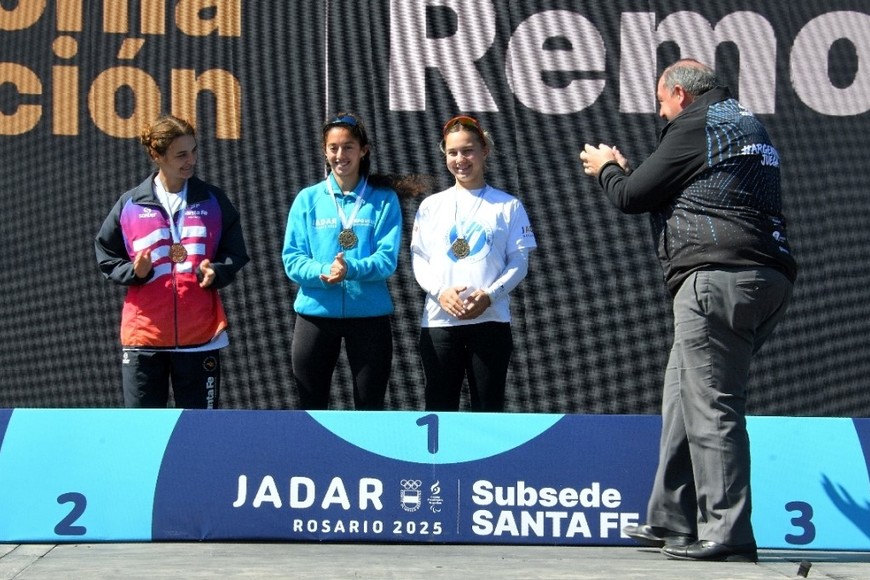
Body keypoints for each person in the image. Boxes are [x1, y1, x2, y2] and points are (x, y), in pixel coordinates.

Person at [579, 60, 797, 562]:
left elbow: (632, 197)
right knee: (683, 397)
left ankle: (728, 532)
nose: (660, 113)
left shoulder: (695, 123)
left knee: (711, 403)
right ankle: (672, 520)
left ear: (679, 93)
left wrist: (607, 169)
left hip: (716, 278)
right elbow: (687, 190)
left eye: (660, 104)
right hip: (764, 276)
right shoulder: (742, 122)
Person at [95, 114, 249, 408]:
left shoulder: (213, 200)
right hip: (144, 338)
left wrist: (217, 270)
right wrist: (133, 271)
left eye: (193, 151)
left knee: (199, 434)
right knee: (142, 436)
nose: (190, 160)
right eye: (181, 154)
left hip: (200, 337)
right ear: (157, 156)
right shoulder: (131, 204)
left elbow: (236, 252)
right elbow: (106, 253)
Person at [283, 112, 426, 410]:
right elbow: (293, 259)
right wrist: (324, 271)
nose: (340, 154)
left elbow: (387, 260)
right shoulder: (308, 199)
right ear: (324, 151)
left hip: (369, 318)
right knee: (310, 408)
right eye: (333, 147)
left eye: (348, 146)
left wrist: (351, 269)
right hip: (315, 315)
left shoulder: (383, 199)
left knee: (369, 408)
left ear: (364, 150)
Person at [410, 115, 537, 412]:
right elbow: (420, 260)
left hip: (490, 323)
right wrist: (441, 292)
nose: (460, 159)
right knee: (440, 409)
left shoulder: (508, 205)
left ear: (484, 151)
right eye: (452, 152)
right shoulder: (431, 206)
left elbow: (519, 262)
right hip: (440, 323)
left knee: (488, 412)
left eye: (467, 150)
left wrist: (489, 295)